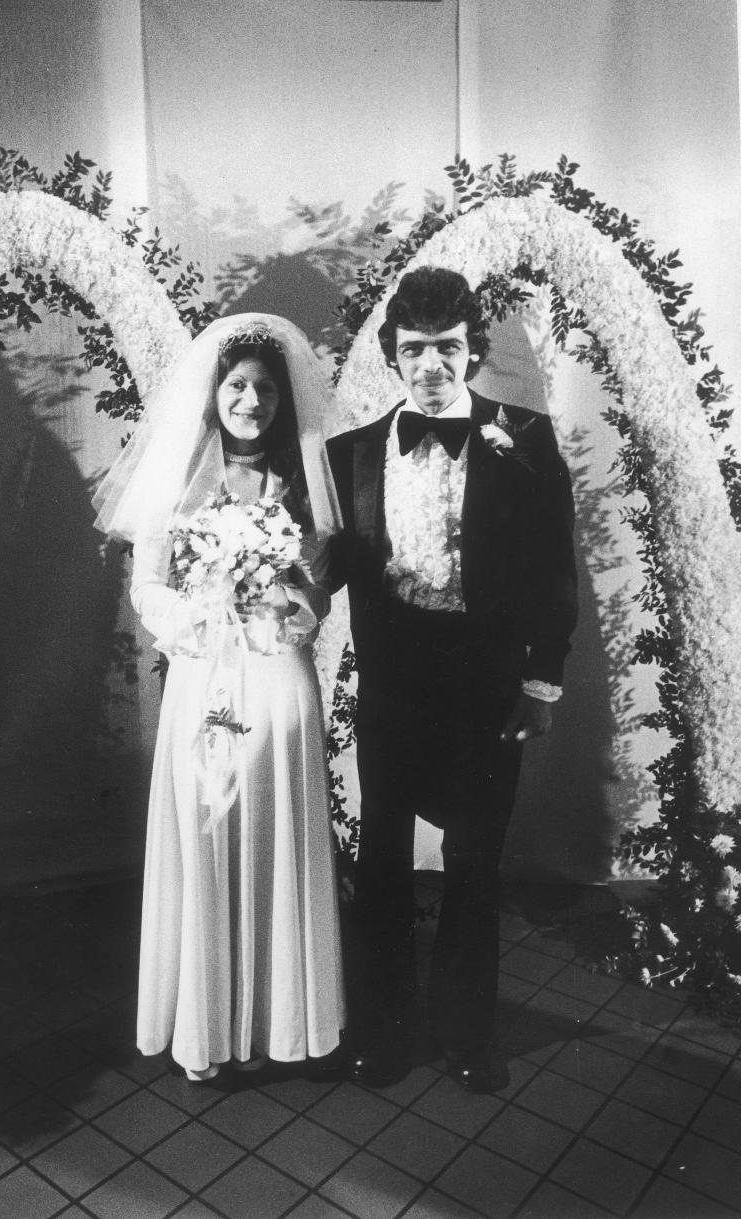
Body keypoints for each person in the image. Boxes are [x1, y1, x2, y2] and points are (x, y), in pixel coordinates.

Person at [327, 267, 577, 1093]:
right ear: (392, 356)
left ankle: (468, 1034)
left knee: (475, 864)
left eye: (446, 349)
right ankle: (382, 1032)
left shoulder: (526, 438)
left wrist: (539, 687)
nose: (430, 365)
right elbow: (325, 567)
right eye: (414, 351)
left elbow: (551, 573)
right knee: (384, 860)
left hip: (483, 684)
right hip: (394, 683)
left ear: (469, 354)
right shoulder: (352, 451)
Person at [93, 314, 345, 1081]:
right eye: (238, 386)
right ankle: (206, 1026)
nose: (252, 400)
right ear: (215, 392)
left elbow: (322, 591)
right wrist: (199, 615)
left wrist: (291, 603)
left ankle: (279, 1023)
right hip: (206, 671)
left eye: (266, 390)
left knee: (275, 829)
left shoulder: (305, 481)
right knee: (206, 827)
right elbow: (146, 586)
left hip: (278, 679)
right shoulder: (178, 479)